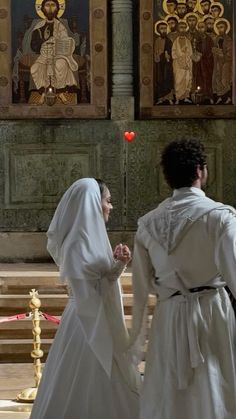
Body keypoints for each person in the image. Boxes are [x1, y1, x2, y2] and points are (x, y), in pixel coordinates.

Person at [130, 139, 236, 419]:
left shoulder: (147, 224)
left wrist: (136, 342)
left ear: (167, 177)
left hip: (168, 313)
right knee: (213, 382)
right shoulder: (220, 218)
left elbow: (140, 290)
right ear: (201, 171)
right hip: (211, 311)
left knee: (168, 388)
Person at [30, 178, 140, 419]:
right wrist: (117, 266)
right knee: (89, 374)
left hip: (96, 314)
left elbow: (99, 278)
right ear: (93, 202)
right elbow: (92, 286)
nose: (110, 207)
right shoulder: (78, 241)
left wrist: (117, 264)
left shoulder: (89, 237)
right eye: (107, 201)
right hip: (87, 319)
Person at [30, 0, 78, 104]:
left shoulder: (60, 26)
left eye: (53, 5)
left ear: (57, 8)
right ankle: (43, 93)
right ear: (42, 8)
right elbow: (33, 46)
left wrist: (58, 43)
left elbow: (65, 41)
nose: (50, 8)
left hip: (58, 55)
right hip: (44, 55)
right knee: (35, 68)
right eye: (47, 5)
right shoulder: (38, 27)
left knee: (60, 65)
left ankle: (60, 93)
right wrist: (44, 41)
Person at [172, 21, 193, 103]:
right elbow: (173, 53)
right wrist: (180, 56)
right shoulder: (175, 42)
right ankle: (177, 98)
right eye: (181, 27)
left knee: (187, 80)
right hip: (178, 65)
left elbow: (190, 53)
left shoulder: (188, 41)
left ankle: (186, 97)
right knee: (178, 81)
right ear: (178, 29)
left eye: (184, 28)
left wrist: (186, 55)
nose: (183, 29)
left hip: (187, 64)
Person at [154, 21, 174, 104]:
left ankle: (169, 98)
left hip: (167, 64)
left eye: (165, 28)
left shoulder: (169, 41)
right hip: (159, 64)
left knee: (167, 79)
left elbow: (172, 52)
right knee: (159, 79)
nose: (164, 30)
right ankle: (160, 98)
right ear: (158, 30)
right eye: (162, 29)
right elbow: (155, 51)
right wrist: (157, 55)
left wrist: (168, 56)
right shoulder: (157, 40)